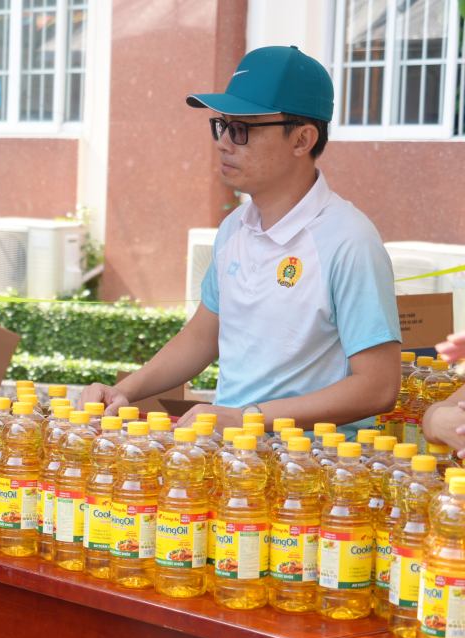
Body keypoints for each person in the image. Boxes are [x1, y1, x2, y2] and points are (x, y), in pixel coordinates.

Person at [80, 45, 400, 433]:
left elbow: (378, 387)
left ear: (302, 140)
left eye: (242, 129)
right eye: (222, 125)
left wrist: (249, 418)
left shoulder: (349, 241)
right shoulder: (235, 228)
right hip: (233, 454)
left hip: (312, 463)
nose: (223, 143)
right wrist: (123, 391)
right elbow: (203, 336)